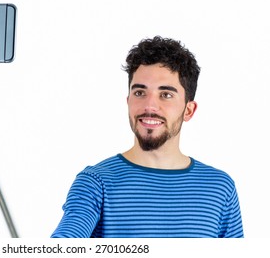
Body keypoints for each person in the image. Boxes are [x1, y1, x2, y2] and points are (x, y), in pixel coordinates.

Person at [51, 36, 244, 238]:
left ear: (189, 110)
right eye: (140, 92)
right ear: (128, 101)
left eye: (166, 94)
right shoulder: (96, 182)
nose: (149, 106)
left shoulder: (220, 189)